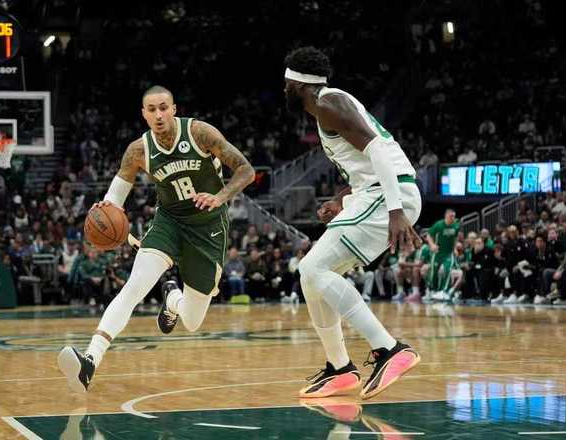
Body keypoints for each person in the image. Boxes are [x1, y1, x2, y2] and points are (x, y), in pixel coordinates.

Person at [58, 85, 255, 393]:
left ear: (174, 109)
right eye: (152, 109)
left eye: (164, 108)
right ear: (144, 114)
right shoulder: (138, 150)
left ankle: (172, 298)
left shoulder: (199, 133)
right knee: (134, 287)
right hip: (169, 222)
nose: (159, 114)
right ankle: (90, 361)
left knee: (192, 321)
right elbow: (116, 195)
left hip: (208, 228)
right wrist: (106, 208)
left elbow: (246, 170)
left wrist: (220, 196)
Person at [283, 47, 421, 400]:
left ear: (298, 85)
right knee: (312, 276)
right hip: (374, 193)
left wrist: (395, 211)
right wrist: (341, 199)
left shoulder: (329, 102)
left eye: (287, 83)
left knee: (313, 267)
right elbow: (366, 165)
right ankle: (340, 368)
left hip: (389, 195)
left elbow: (378, 150)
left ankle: (389, 349)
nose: (284, 89)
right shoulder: (326, 107)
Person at [425, 209, 460, 301]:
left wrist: (455, 248)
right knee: (434, 273)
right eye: (451, 216)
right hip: (437, 253)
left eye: (454, 216)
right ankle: (432, 290)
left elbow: (455, 237)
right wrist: (432, 245)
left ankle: (444, 291)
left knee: (447, 270)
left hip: (449, 253)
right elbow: (428, 235)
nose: (453, 218)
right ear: (446, 216)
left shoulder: (456, 225)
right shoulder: (438, 225)